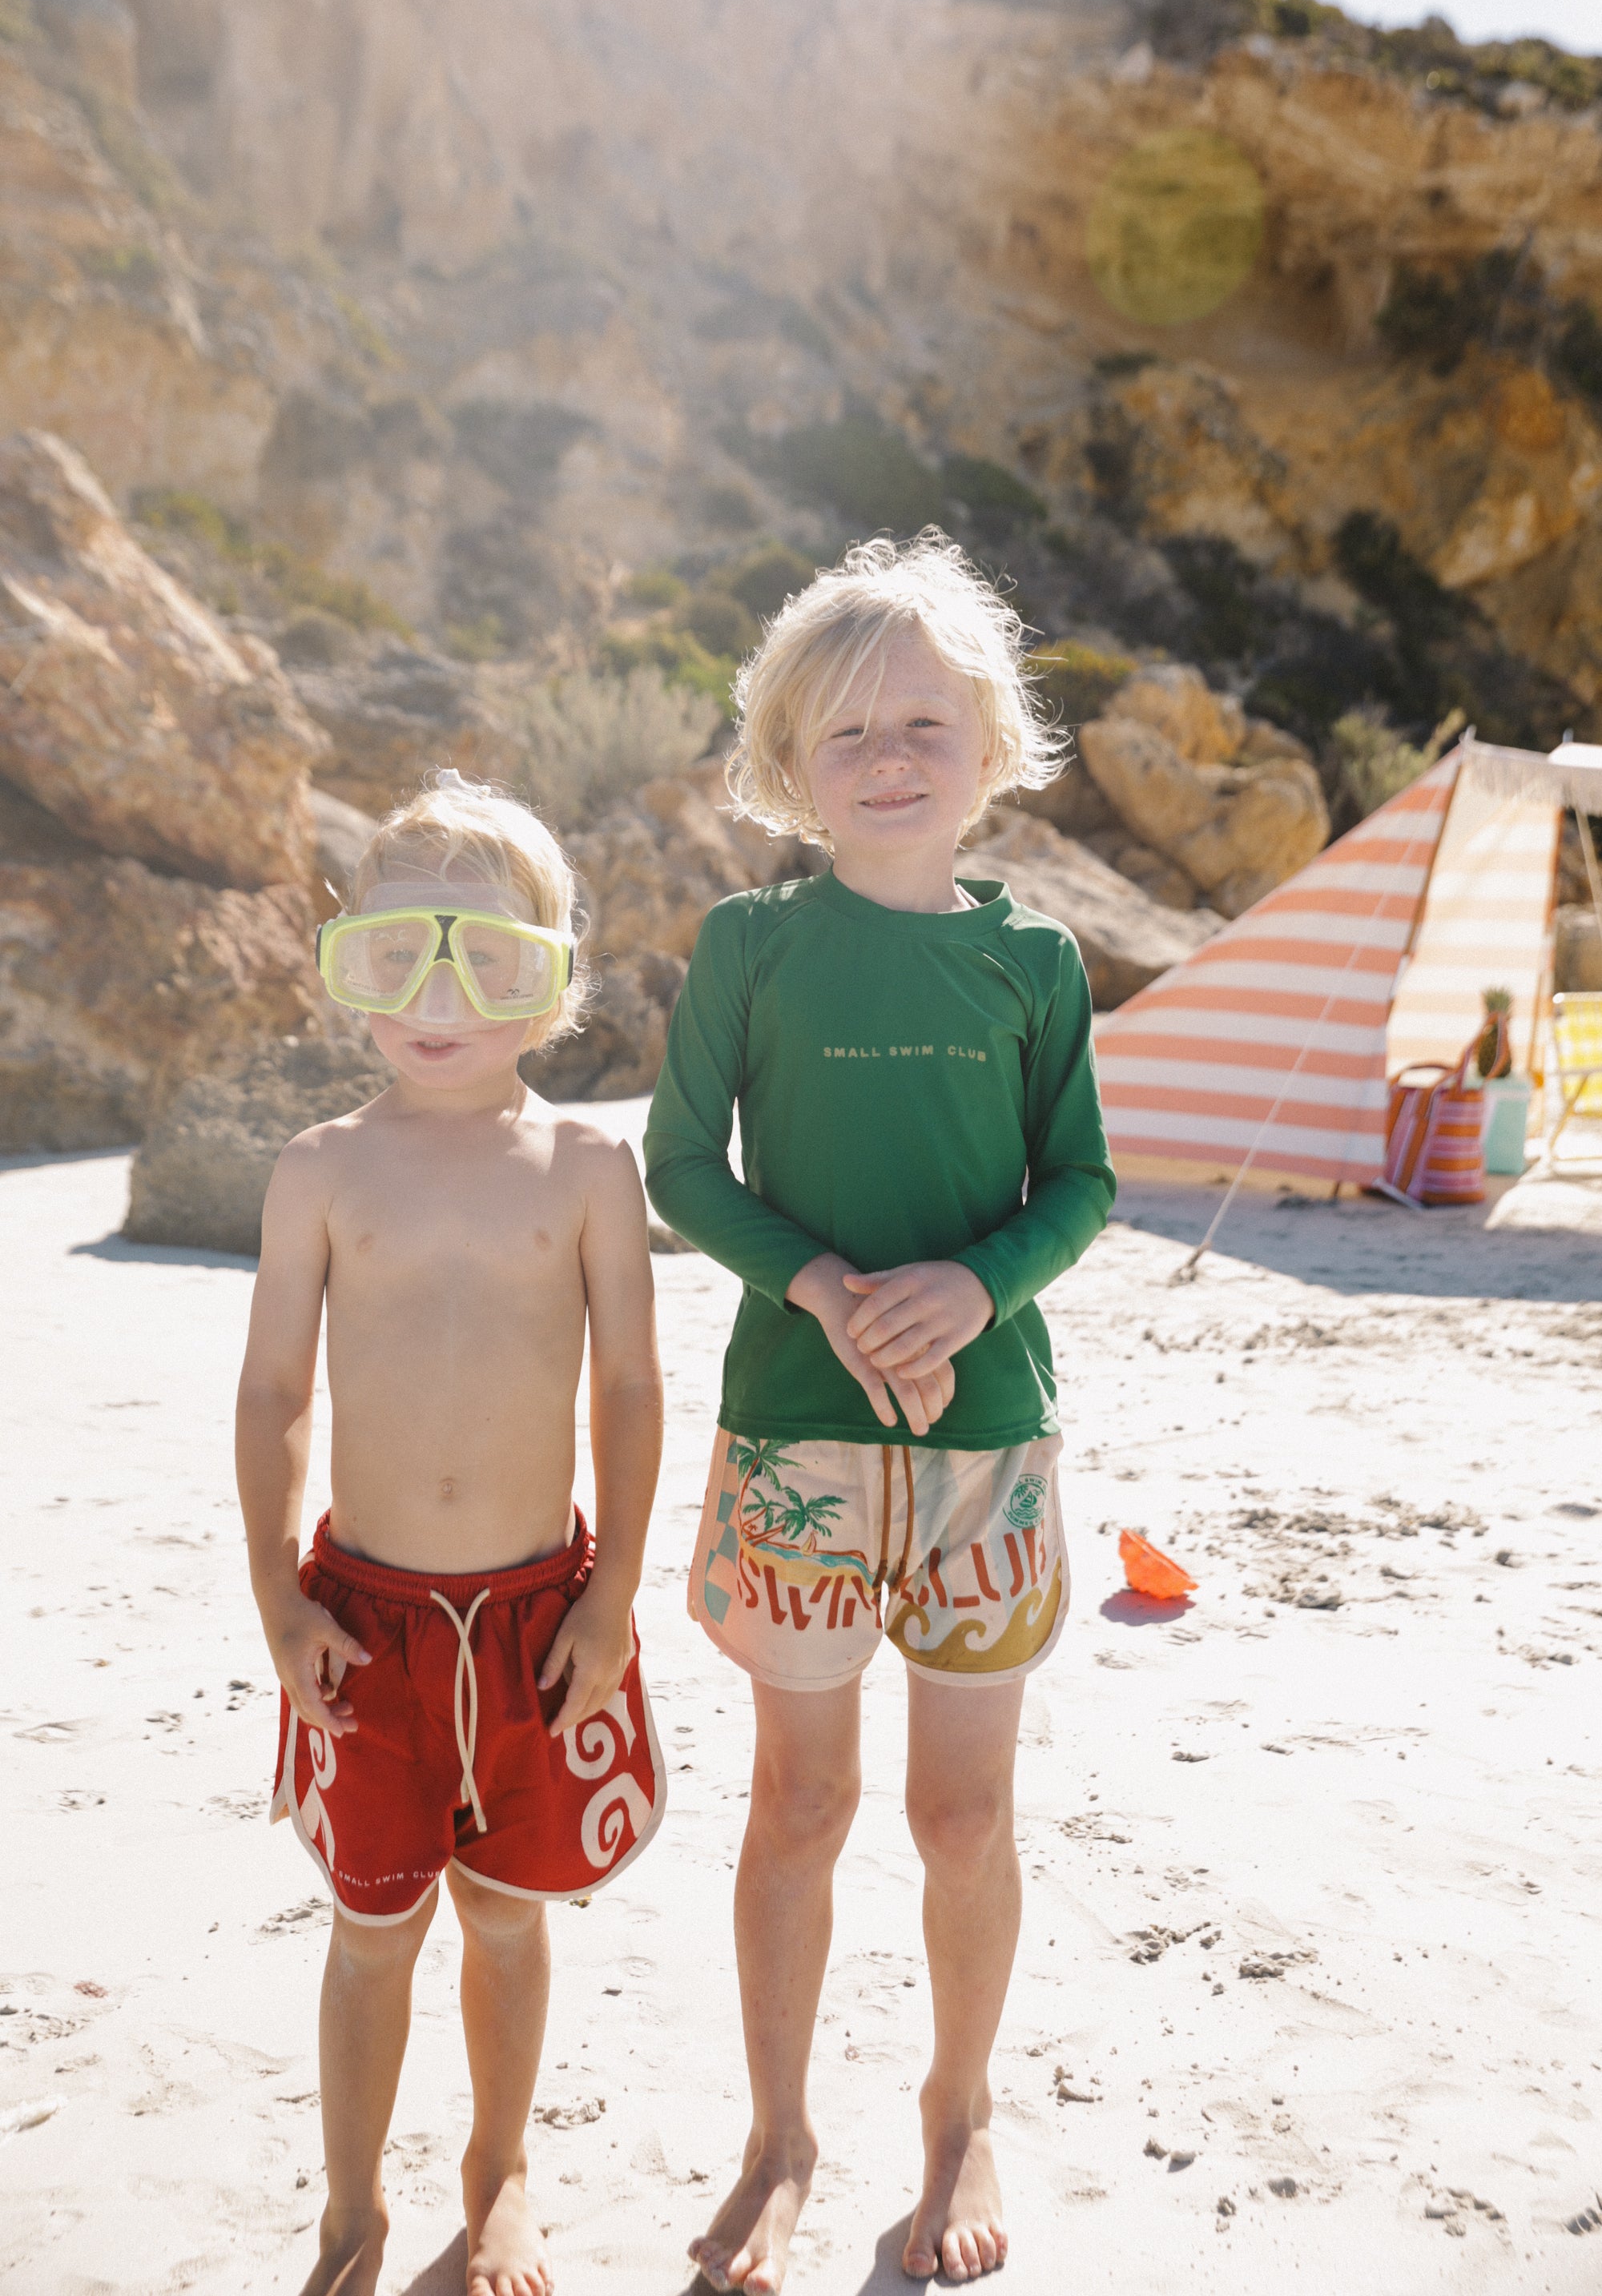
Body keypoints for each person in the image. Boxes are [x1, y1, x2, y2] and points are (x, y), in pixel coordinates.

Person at [645, 533, 1115, 2291]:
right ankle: (778, 2135)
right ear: (787, 762)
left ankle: (959, 2106)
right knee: (798, 1806)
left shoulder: (1039, 962)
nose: (890, 755)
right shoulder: (750, 944)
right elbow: (681, 1166)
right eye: (845, 733)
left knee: (961, 1820)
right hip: (795, 1434)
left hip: (985, 1439)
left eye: (925, 721)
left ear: (991, 745)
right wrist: (825, 1286)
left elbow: (1077, 1184)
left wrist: (980, 1285)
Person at [236, 773, 664, 2296]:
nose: (439, 998)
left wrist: (613, 1594)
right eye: (400, 955)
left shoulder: (590, 1172)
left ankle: (500, 2179)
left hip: (543, 1612)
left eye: (487, 960)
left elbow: (626, 1387)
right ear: (349, 962)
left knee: (507, 1917)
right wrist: (281, 1598)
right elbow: (278, 1388)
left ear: (551, 988)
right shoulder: (320, 1168)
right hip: (366, 1614)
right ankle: (354, 2210)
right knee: (368, 1933)